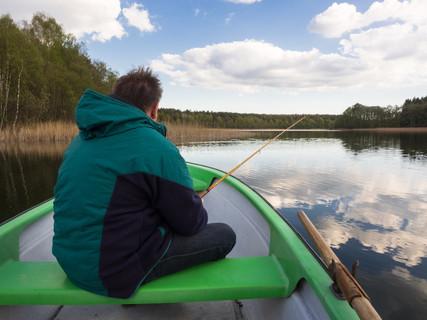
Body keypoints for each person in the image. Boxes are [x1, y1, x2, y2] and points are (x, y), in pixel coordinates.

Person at [52, 67, 236, 299]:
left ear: (117, 99)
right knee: (225, 234)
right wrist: (194, 203)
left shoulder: (81, 140)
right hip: (113, 273)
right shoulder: (157, 147)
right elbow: (191, 224)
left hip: (69, 261)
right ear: (155, 109)